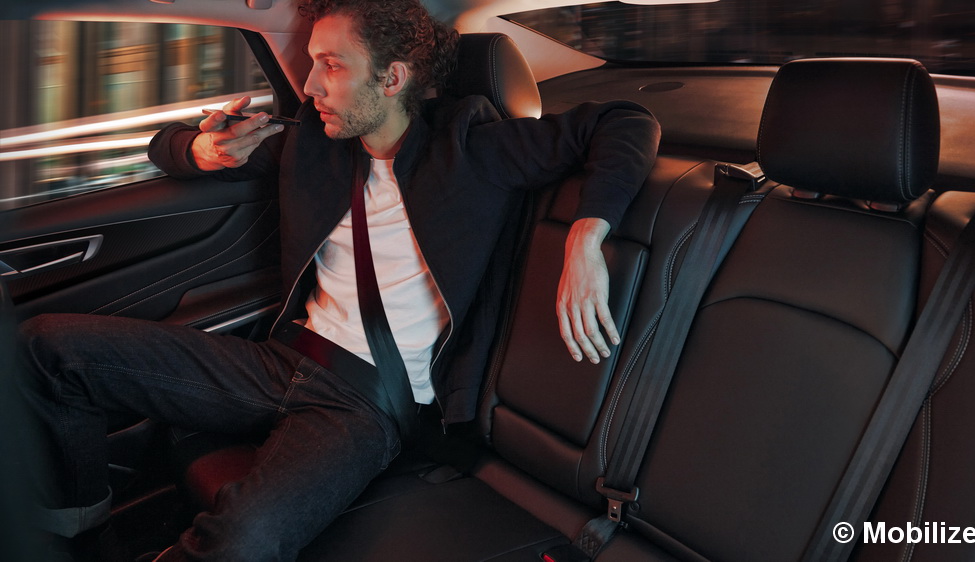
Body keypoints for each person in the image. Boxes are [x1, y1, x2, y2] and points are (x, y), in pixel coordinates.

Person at [16, 0, 660, 560]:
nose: (309, 85)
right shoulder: (311, 142)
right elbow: (167, 146)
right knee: (48, 346)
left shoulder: (475, 148)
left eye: (331, 65)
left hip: (364, 403)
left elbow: (625, 121)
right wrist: (201, 150)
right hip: (281, 361)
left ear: (393, 78)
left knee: (241, 539)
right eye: (311, 63)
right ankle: (79, 535)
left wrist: (585, 237)